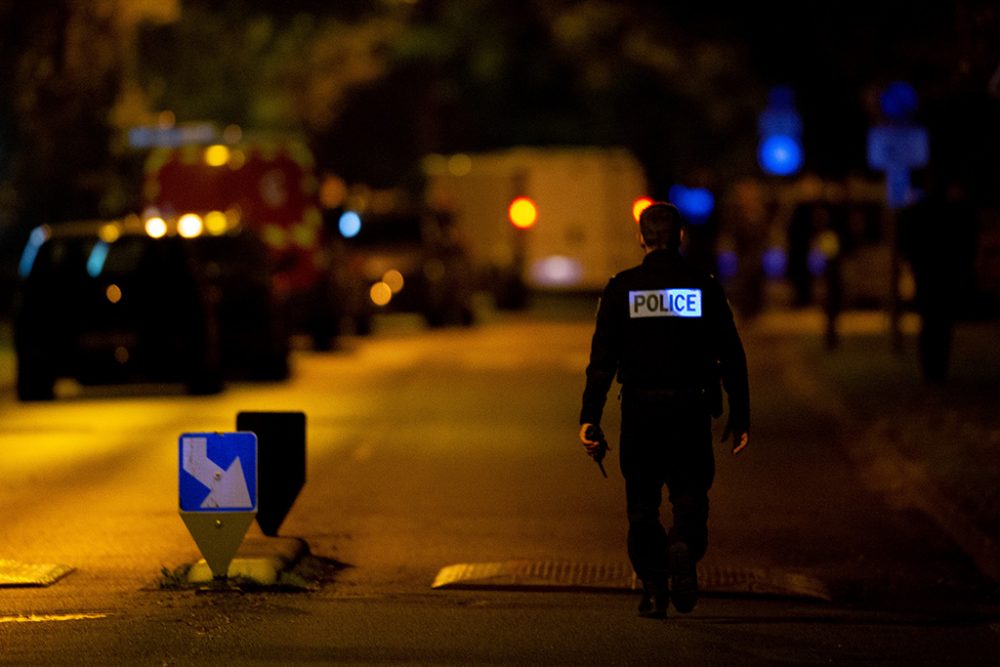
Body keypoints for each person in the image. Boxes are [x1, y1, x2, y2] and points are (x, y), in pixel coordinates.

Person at [579, 202, 750, 619]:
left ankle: (654, 584)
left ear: (641, 238)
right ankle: (683, 546)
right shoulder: (704, 288)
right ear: (681, 238)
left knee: (642, 505)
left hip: (640, 411)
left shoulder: (621, 289)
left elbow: (602, 360)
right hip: (690, 409)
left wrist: (590, 416)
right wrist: (740, 414)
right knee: (690, 496)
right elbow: (731, 354)